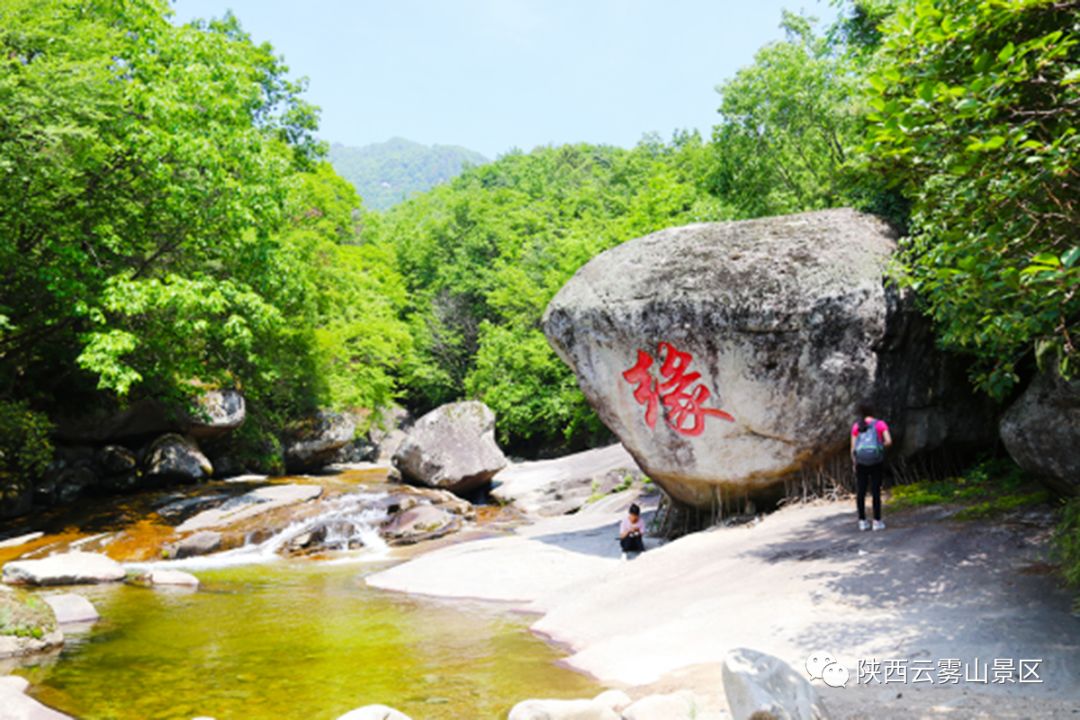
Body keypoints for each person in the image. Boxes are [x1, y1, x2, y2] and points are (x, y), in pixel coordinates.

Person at [851, 402, 892, 531]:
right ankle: (877, 521)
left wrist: (854, 462)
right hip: (876, 461)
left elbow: (853, 448)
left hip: (861, 462)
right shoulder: (880, 424)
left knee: (861, 491)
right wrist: (880, 446)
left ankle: (862, 521)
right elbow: (889, 441)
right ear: (873, 411)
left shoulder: (857, 426)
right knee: (875, 491)